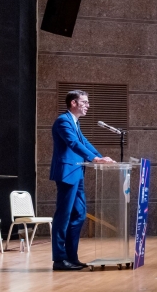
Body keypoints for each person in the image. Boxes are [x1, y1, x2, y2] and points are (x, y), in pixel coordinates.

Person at [49, 91, 115, 271]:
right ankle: (59, 259)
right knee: (63, 216)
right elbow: (73, 144)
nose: (88, 105)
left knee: (79, 214)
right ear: (73, 103)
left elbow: (84, 142)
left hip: (77, 173)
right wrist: (95, 160)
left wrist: (102, 158)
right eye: (84, 102)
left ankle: (72, 256)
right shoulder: (63, 121)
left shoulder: (75, 122)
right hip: (67, 173)